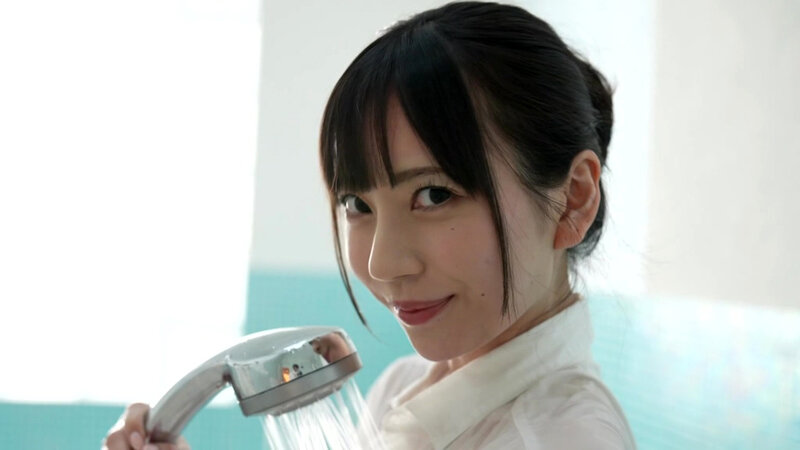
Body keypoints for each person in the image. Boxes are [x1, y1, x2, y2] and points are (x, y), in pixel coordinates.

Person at [104, 2, 636, 449]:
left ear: (573, 200)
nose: (381, 264)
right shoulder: (403, 388)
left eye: (434, 195)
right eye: (357, 203)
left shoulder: (563, 438)